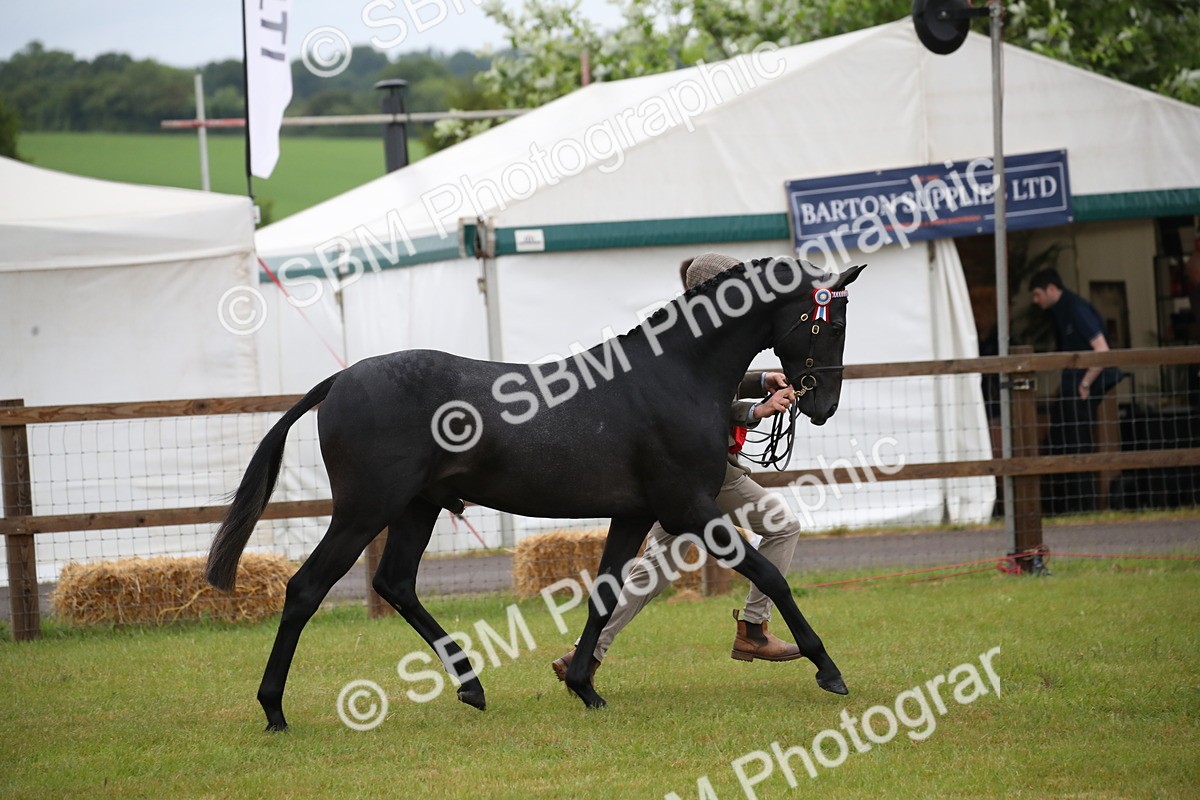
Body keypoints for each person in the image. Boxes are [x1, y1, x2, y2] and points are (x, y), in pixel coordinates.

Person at [552, 252, 806, 682]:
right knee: (782, 526)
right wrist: (757, 411)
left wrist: (761, 380)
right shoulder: (696, 336)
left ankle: (585, 654)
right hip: (699, 472)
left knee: (656, 566)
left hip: (686, 470)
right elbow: (699, 409)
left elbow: (713, 384)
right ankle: (754, 628)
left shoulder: (690, 333)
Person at [1029, 268, 1122, 512]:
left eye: (1037, 294)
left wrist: (1085, 383)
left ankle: (1084, 507)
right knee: (1060, 442)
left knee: (1079, 445)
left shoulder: (1076, 309)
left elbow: (1101, 351)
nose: (1035, 301)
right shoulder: (1058, 312)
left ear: (1051, 289)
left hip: (1082, 387)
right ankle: (1064, 505)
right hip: (1070, 385)